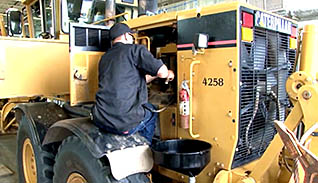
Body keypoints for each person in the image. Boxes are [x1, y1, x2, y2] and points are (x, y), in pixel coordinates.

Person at [92, 23, 174, 144]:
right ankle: (145, 147)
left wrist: (154, 75)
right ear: (126, 36)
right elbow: (162, 72)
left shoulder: (104, 58)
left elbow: (134, 79)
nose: (132, 38)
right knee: (152, 111)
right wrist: (169, 73)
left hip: (101, 117)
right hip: (123, 122)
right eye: (131, 35)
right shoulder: (135, 50)